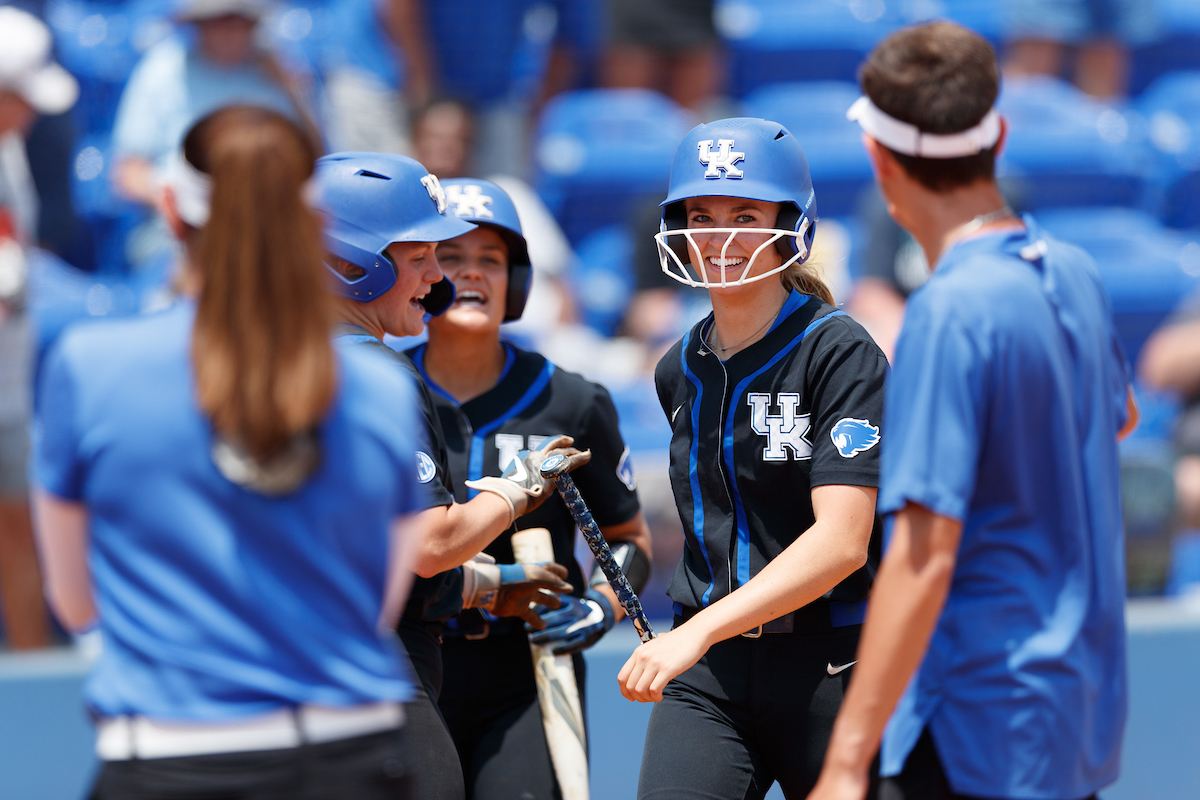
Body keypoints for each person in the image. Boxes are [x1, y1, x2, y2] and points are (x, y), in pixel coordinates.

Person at [32, 105, 424, 798]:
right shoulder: (379, 384)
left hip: (169, 751)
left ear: (171, 214)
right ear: (312, 230)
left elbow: (76, 600)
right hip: (352, 754)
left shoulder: (89, 366)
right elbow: (376, 603)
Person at [809, 22, 1136, 800]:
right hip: (1076, 710)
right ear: (999, 137)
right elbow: (1117, 416)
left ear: (878, 160)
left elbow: (925, 557)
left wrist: (848, 760)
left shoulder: (949, 311)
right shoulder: (1075, 270)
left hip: (980, 720)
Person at [618, 117, 888, 799]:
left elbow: (843, 541)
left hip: (831, 659)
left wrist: (698, 631)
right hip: (711, 671)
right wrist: (701, 636)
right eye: (701, 215)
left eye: (745, 213)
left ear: (793, 223)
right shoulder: (677, 367)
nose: (720, 235)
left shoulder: (841, 352)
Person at [315, 152, 589, 800]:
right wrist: (515, 489)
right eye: (419, 258)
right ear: (351, 262)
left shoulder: (265, 366)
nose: (440, 279)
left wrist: (486, 586)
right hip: (379, 680)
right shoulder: (377, 373)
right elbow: (430, 545)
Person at [406, 177, 652, 799]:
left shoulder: (570, 398)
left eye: (491, 260)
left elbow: (627, 537)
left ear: (516, 282)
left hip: (529, 670)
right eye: (452, 256)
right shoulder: (383, 389)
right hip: (408, 662)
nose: (472, 274)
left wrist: (601, 606)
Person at [0, 5, 79, 650]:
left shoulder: (11, 149)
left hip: (8, 389)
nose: (30, 111)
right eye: (18, 97)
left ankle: (29, 686)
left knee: (17, 535)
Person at [112, 0, 317, 210]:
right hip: (177, 225)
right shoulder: (162, 69)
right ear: (199, 24)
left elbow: (313, 159)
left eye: (239, 20)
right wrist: (180, 205)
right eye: (217, 21)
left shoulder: (278, 71)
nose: (229, 31)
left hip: (265, 216)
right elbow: (129, 173)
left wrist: (295, 90)